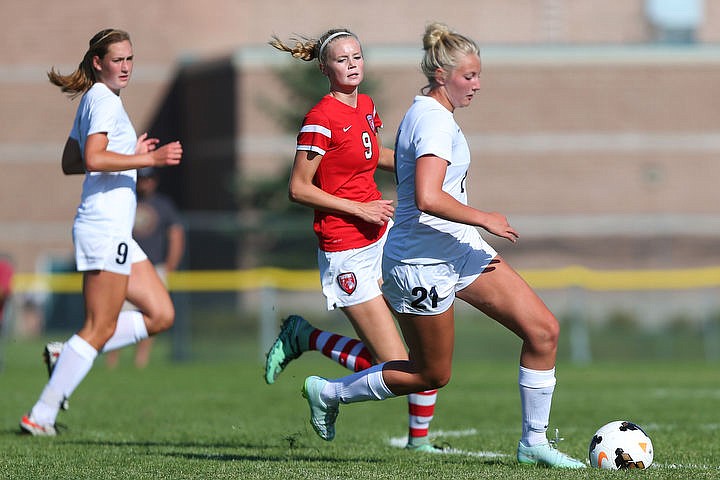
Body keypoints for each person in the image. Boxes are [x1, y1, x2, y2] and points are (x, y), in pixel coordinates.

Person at [299, 23, 586, 469]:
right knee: (432, 373)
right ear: (440, 73)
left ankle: (534, 443)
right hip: (421, 260)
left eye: (478, 74)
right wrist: (485, 218)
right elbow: (431, 198)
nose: (477, 84)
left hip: (456, 246)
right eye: (468, 76)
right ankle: (329, 392)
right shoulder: (432, 120)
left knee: (543, 330)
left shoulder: (427, 113)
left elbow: (388, 164)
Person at [264, 29, 441, 452]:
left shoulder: (364, 105)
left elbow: (372, 154)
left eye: (357, 56)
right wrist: (358, 208)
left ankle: (419, 442)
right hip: (346, 248)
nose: (352, 64)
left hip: (382, 235)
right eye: (342, 59)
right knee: (396, 365)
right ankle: (305, 338)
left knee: (425, 343)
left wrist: (421, 168)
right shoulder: (319, 118)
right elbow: (299, 188)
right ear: (325, 68)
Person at [20, 28, 183, 436]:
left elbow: (71, 161)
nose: (126, 67)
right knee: (100, 327)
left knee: (161, 314)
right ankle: (41, 414)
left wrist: (132, 156)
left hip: (116, 233)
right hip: (103, 228)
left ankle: (67, 353)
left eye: (130, 59)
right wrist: (148, 157)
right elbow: (92, 157)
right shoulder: (103, 100)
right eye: (118, 60)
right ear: (98, 62)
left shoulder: (100, 100)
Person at [106, 167, 185, 369]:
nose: (145, 183)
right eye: (142, 178)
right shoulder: (126, 200)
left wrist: (170, 266)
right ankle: (112, 362)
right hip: (125, 266)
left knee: (154, 315)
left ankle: (141, 361)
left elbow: (176, 234)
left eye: (149, 178)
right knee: (117, 313)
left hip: (154, 266)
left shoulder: (163, 205)